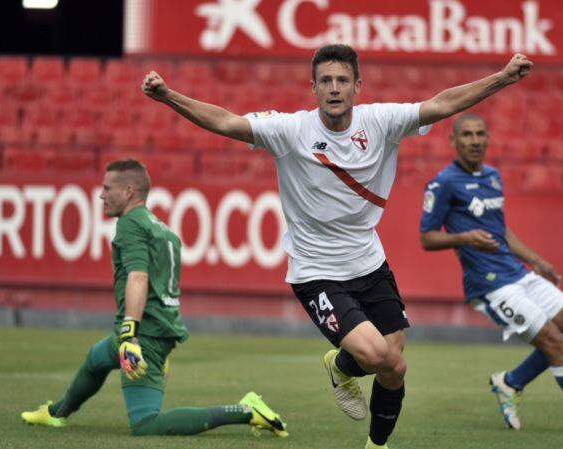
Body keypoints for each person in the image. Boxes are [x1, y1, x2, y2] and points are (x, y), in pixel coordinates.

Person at [141, 45, 532, 449]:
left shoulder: (381, 121)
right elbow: (226, 122)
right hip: (316, 272)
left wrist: (501, 77)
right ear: (312, 87)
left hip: (368, 262)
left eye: (342, 80)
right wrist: (169, 95)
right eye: (325, 81)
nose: (334, 88)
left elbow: (441, 104)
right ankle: (347, 365)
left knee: (395, 365)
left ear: (357, 86)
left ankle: (373, 438)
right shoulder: (290, 130)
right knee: (378, 355)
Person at [21, 158, 287, 437]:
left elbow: (138, 276)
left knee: (146, 424)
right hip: (160, 324)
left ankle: (245, 411)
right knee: (97, 358)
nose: (101, 195)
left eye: (107, 188)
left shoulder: (131, 224)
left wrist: (130, 334)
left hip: (146, 333)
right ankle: (56, 413)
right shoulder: (161, 227)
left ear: (129, 191)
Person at [419, 114, 563, 436]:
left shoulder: (493, 176)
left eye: (480, 133)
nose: (475, 140)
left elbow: (501, 231)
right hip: (490, 286)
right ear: (453, 141)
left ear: (488, 138)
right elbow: (427, 238)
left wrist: (537, 260)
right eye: (466, 135)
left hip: (518, 273)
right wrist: (465, 238)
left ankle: (511, 382)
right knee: (554, 342)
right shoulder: (444, 183)